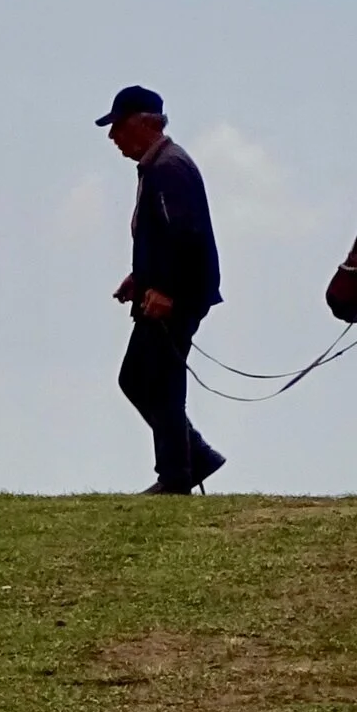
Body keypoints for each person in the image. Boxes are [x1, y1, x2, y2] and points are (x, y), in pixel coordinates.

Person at [97, 85, 226, 493]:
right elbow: (165, 236)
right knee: (141, 378)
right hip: (166, 293)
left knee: (156, 381)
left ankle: (177, 475)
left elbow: (184, 235)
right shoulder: (159, 166)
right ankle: (192, 459)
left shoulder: (168, 167)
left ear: (142, 124)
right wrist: (141, 277)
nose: (112, 137)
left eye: (117, 126)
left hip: (177, 297)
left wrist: (166, 289)